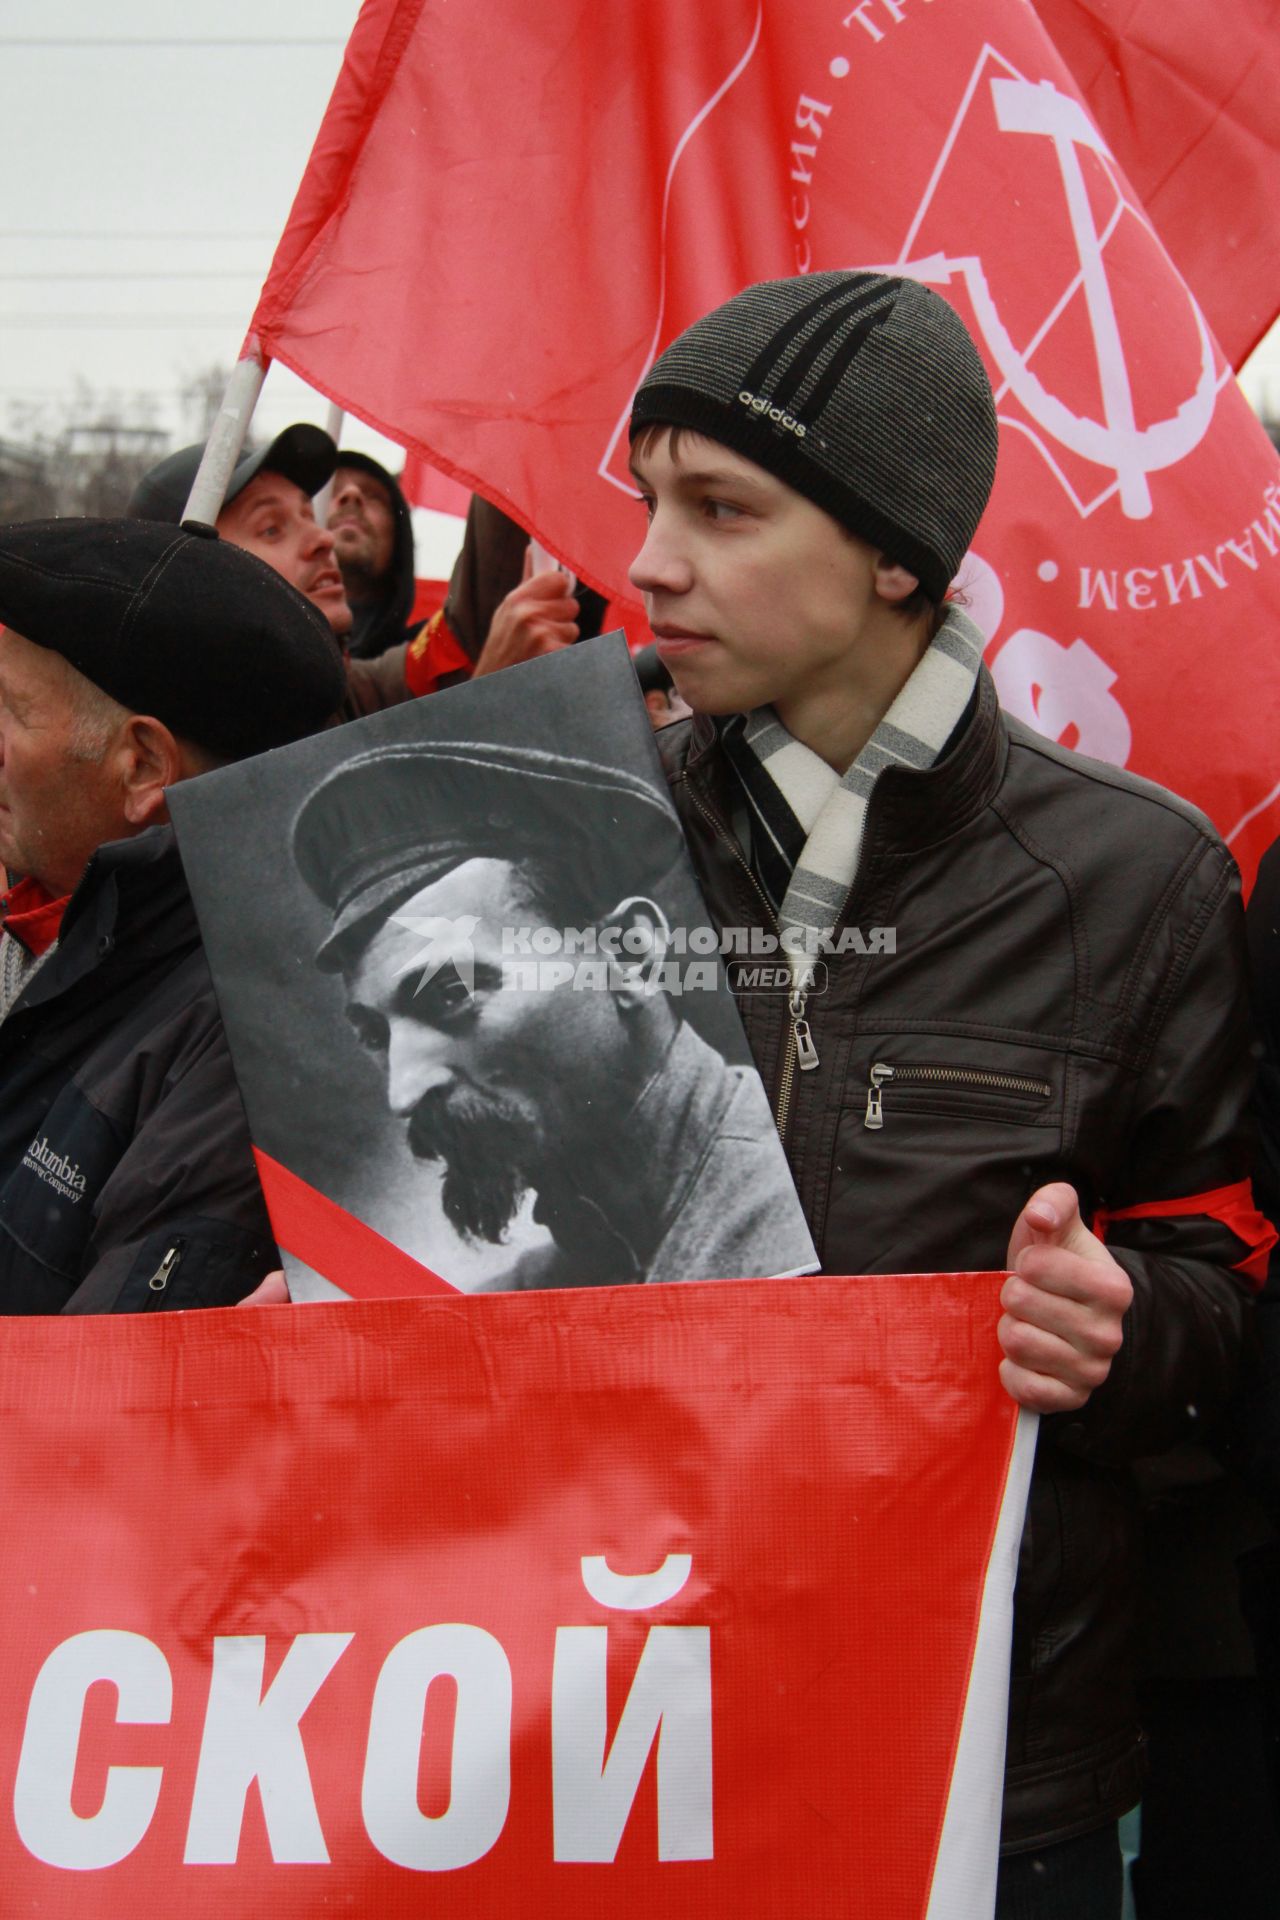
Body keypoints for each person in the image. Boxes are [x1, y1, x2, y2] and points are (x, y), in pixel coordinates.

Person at [625, 269, 1270, 1913]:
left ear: (895, 554)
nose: (651, 560)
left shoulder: (1134, 878)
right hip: (602, 1731)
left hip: (985, 1764)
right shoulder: (564, 829)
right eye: (650, 498)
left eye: (723, 508)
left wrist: (1118, 1322)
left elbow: (1225, 1288)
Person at [289, 739, 812, 1287]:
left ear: (628, 956)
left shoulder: (796, 1216)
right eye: (375, 1035)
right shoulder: (520, 1298)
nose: (402, 1093)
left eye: (451, 994)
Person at [0, 515, 344, 1313]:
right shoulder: (50, 919)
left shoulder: (247, 1039)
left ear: (143, 765)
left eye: (12, 711)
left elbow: (96, 1400)